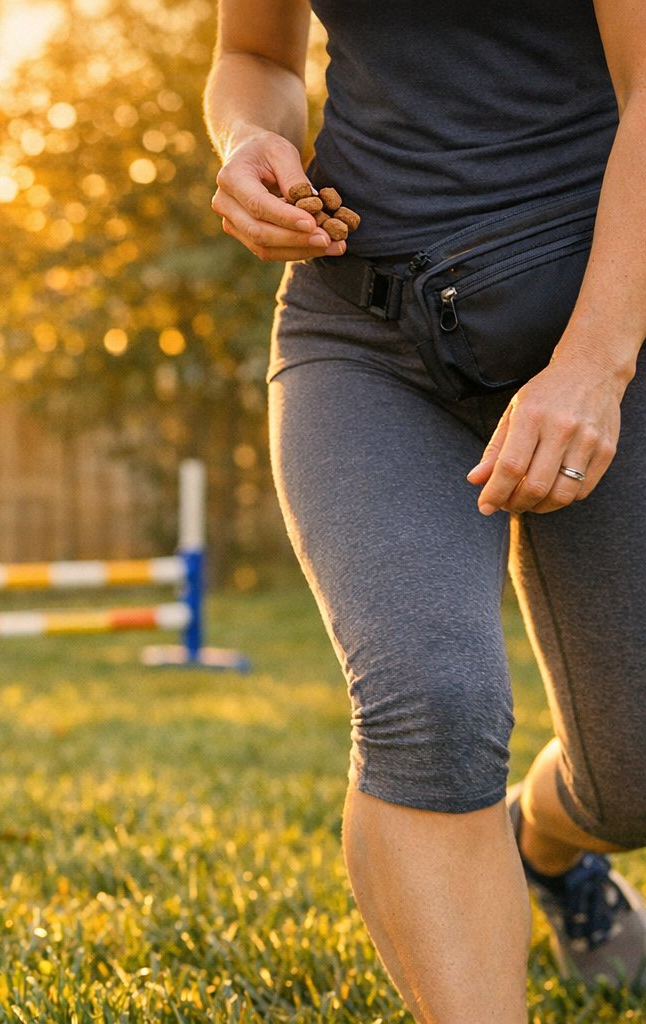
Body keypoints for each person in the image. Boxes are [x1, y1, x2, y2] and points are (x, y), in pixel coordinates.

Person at [203, 0, 646, 1019]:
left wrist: (591, 365)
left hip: (607, 315)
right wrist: (252, 138)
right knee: (429, 705)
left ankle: (553, 847)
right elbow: (253, 53)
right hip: (365, 335)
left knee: (631, 785)